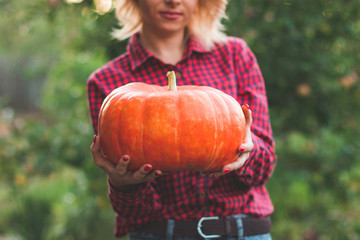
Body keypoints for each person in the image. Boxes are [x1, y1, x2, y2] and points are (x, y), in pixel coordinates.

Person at [87, 0, 277, 239]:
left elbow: (264, 167)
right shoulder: (108, 83)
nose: (173, 1)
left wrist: (248, 151)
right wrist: (123, 185)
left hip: (244, 231)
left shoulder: (235, 56)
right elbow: (134, 214)